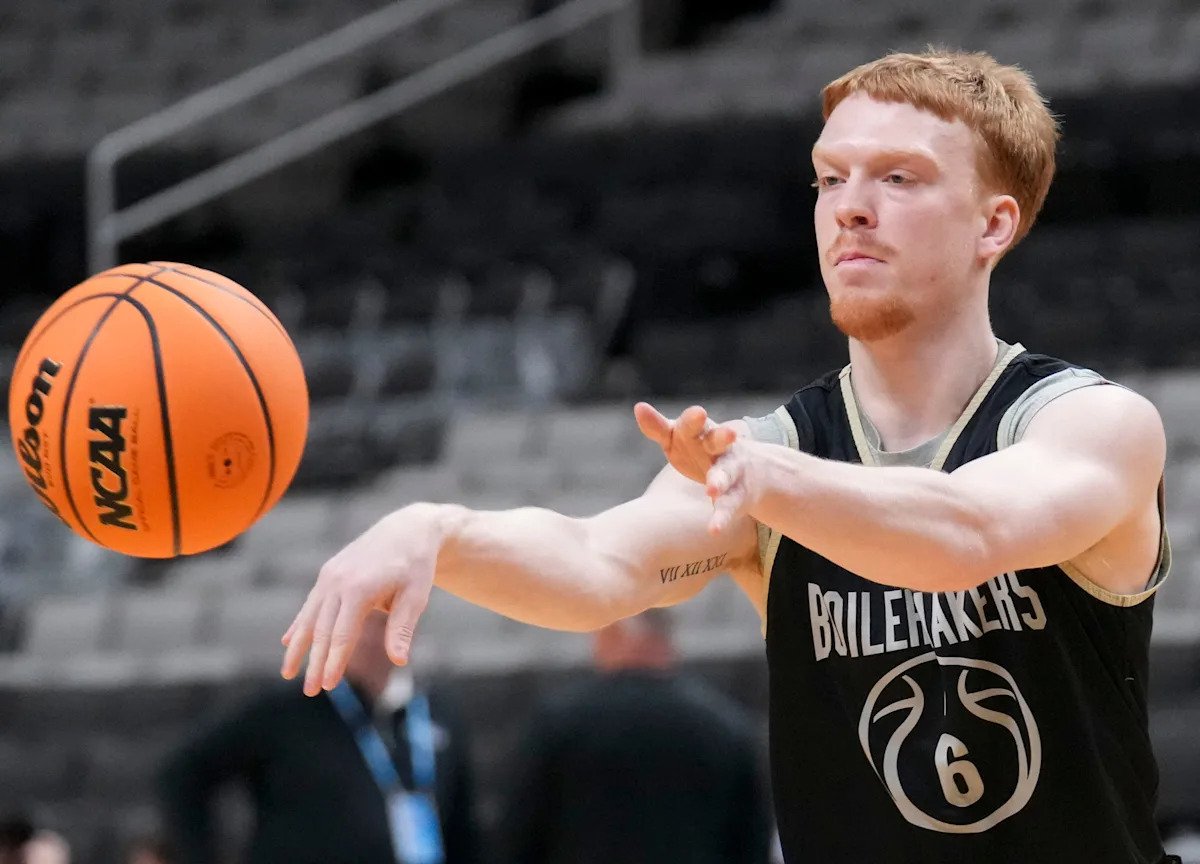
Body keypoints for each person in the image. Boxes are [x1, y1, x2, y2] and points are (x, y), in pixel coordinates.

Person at [280, 49, 1178, 864]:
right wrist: (439, 530)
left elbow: (968, 533)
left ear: (994, 225)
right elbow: (596, 565)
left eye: (899, 177)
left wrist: (767, 480)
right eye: (830, 178)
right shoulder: (775, 454)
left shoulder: (1089, 424)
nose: (850, 206)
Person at [162, 611, 480, 864]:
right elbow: (182, 772)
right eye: (358, 622)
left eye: (383, 623)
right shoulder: (287, 709)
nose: (369, 638)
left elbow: (461, 826)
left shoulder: (436, 711)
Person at [498, 609, 770, 864]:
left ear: (612, 635)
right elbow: (751, 840)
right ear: (667, 640)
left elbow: (520, 833)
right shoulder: (725, 726)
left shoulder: (559, 722)